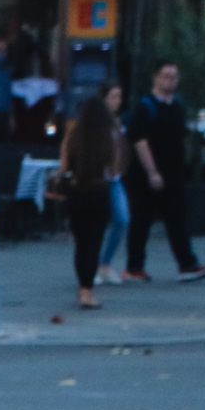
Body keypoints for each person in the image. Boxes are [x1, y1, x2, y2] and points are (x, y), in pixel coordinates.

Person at [124, 63, 205, 283]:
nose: (171, 81)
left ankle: (187, 265)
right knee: (142, 219)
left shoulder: (178, 107)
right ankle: (134, 267)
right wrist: (151, 171)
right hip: (147, 174)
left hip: (173, 173)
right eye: (166, 76)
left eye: (174, 77)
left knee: (176, 219)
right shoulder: (146, 107)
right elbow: (139, 140)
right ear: (156, 78)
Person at [59, 93, 121, 311]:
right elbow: (114, 170)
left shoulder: (72, 137)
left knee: (80, 242)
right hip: (98, 192)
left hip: (76, 193)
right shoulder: (108, 139)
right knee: (94, 243)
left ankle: (81, 286)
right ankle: (87, 291)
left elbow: (63, 168)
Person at [95, 83, 131, 284]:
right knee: (97, 224)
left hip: (114, 178)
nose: (117, 101)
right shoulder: (95, 123)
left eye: (119, 97)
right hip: (99, 179)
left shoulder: (117, 122)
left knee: (122, 219)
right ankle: (93, 266)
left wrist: (120, 165)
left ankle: (105, 264)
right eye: (113, 97)